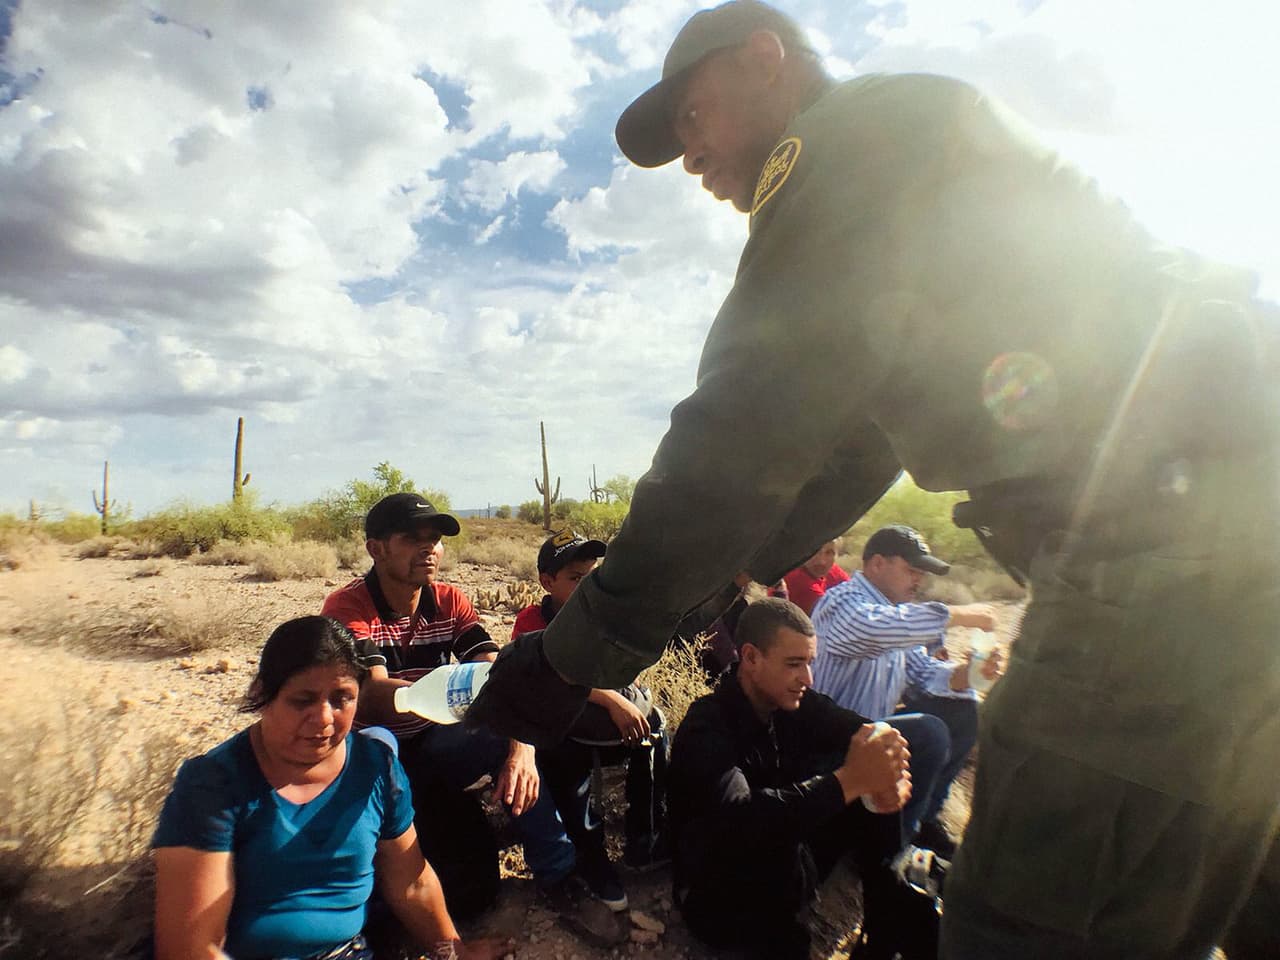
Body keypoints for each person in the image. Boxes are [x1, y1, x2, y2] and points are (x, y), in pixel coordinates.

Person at [469, 2, 1280, 958]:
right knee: (1241, 871)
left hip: (1165, 560)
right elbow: (850, 451)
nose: (691, 157)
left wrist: (563, 662)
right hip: (1228, 537)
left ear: (765, 60)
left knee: (1027, 929)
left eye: (693, 116)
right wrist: (717, 586)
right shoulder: (908, 146)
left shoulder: (841, 146)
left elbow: (742, 432)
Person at [320, 494, 615, 942]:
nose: (429, 548)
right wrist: (436, 695)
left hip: (436, 745)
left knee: (513, 742)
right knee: (380, 741)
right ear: (375, 548)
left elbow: (501, 676)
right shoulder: (348, 608)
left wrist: (520, 748)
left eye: (435, 539)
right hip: (375, 760)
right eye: (412, 538)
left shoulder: (449, 600)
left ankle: (559, 875)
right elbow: (372, 696)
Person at [151, 616, 508, 960]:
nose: (324, 717)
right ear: (262, 693)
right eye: (303, 700)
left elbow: (411, 883)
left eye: (341, 699)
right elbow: (192, 948)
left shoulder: (375, 768)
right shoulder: (213, 785)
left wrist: (454, 953)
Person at [668, 597, 937, 960]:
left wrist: (888, 772)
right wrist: (848, 781)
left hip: (792, 860)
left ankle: (881, 937)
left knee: (873, 767)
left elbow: (865, 732)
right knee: (788, 819)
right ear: (751, 658)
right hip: (720, 894)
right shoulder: (707, 728)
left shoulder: (794, 702)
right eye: (794, 664)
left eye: (810, 663)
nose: (807, 678)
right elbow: (742, 822)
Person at [811, 525, 1001, 854]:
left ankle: (922, 821)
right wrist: (960, 615)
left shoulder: (892, 615)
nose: (918, 580)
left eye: (921, 574)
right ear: (877, 564)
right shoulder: (841, 600)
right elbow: (873, 630)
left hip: (872, 740)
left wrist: (970, 674)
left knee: (965, 709)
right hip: (827, 748)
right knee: (929, 731)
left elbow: (925, 673)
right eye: (911, 570)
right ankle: (890, 850)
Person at [514, 530, 669, 881]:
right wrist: (611, 698)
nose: (587, 586)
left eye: (592, 576)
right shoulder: (531, 622)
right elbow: (547, 674)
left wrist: (626, 689)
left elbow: (626, 666)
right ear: (547, 582)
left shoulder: (605, 614)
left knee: (654, 727)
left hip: (606, 718)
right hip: (563, 722)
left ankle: (644, 838)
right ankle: (588, 853)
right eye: (575, 578)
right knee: (562, 751)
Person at [771, 538, 849, 615]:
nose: (822, 561)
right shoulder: (796, 577)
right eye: (814, 551)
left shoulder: (831, 570)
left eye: (829, 552)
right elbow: (839, 614)